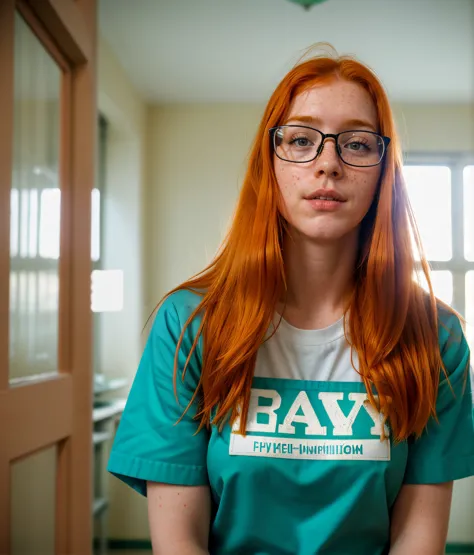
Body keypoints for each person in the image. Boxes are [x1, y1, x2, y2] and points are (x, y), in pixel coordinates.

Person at [107, 46, 474, 555]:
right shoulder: (189, 325)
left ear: (383, 168)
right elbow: (179, 543)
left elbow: (419, 540)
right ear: (270, 163)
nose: (328, 164)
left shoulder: (435, 339)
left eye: (358, 144)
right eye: (301, 140)